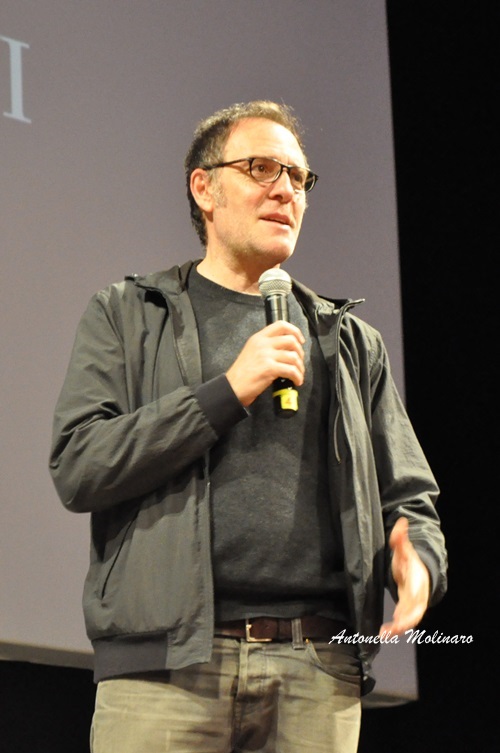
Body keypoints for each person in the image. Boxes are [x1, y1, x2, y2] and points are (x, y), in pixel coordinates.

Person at [49, 100, 447, 753]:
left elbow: (409, 499)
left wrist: (418, 561)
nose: (286, 190)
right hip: (166, 670)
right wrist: (228, 391)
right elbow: (79, 464)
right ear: (204, 188)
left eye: (299, 177)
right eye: (262, 168)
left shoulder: (348, 340)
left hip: (318, 671)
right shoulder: (128, 314)